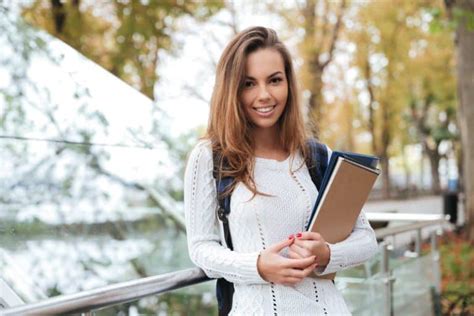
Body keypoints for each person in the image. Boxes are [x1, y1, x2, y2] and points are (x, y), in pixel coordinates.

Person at [184, 26, 378, 315]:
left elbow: (366, 239)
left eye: (274, 80)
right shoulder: (210, 157)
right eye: (249, 84)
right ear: (231, 90)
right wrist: (257, 266)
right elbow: (200, 248)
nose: (264, 95)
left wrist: (327, 254)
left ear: (288, 83)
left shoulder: (317, 155)